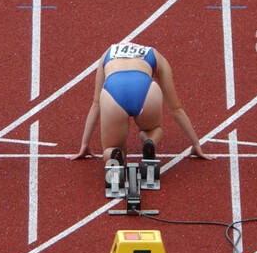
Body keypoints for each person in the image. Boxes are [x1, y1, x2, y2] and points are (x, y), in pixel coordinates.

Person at [71, 40, 213, 168]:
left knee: (112, 147)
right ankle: (148, 140)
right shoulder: (154, 54)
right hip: (145, 90)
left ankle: (113, 155)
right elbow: (176, 109)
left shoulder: (107, 53)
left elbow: (96, 104)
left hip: (113, 93)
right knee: (153, 130)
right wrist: (195, 144)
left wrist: (84, 144)